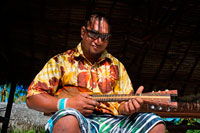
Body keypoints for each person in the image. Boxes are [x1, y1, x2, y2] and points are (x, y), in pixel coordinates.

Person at [26, 12, 165, 133]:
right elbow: (32, 98)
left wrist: (128, 107)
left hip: (114, 122)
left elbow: (122, 106)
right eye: (93, 34)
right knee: (67, 120)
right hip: (77, 118)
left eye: (104, 37)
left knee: (154, 122)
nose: (98, 41)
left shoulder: (117, 65)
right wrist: (67, 104)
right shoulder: (60, 62)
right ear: (83, 32)